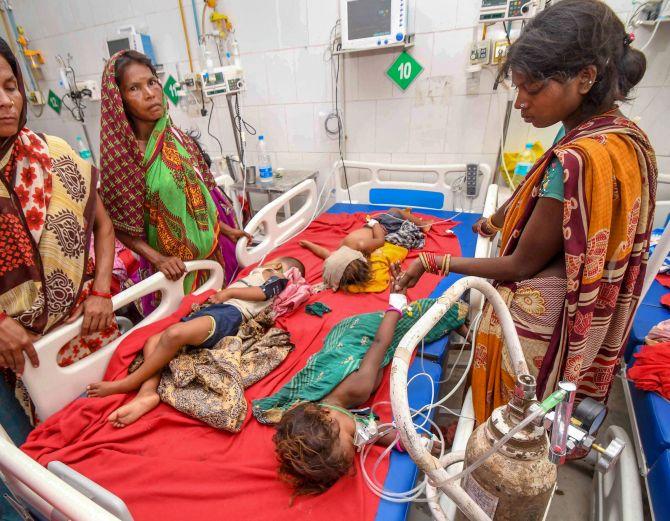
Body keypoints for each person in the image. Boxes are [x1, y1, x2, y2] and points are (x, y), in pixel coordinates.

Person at [395, 0, 657, 425]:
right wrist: (498, 219)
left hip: (540, 327)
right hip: (578, 314)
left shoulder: (580, 158)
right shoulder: (616, 134)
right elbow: (540, 187)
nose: (520, 103)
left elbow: (520, 264)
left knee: (510, 428)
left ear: (585, 78)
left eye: (532, 90)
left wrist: (433, 261)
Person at [254, 266, 468, 495]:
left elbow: (379, 344)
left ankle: (457, 318)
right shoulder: (306, 418)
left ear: (326, 416)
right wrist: (414, 443)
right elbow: (371, 434)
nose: (359, 440)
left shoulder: (359, 387)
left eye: (351, 437)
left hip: (358, 334)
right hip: (339, 341)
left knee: (426, 316)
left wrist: (396, 300)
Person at [0, 37, 117, 434]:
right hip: (16, 358)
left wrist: (102, 289)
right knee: (41, 465)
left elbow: (103, 223)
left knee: (107, 427)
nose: (6, 101)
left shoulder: (54, 153)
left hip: (83, 328)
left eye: (10, 86)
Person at [98, 50, 248, 315]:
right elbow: (117, 225)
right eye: (134, 88)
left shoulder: (177, 137)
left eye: (152, 82)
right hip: (171, 273)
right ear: (119, 100)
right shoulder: (124, 156)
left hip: (212, 259)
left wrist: (226, 229)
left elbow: (195, 200)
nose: (149, 93)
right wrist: (160, 259)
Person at [86, 256, 305, 428]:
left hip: (230, 313)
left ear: (277, 265)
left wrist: (227, 293)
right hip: (214, 312)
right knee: (154, 341)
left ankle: (129, 383)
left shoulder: (280, 277)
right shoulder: (262, 273)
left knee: (173, 335)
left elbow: (263, 292)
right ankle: (147, 393)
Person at [299, 208, 433, 292]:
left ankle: (414, 220)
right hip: (384, 227)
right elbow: (380, 241)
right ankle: (423, 224)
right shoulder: (360, 245)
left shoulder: (343, 253)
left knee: (395, 214)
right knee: (395, 211)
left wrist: (309, 244)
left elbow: (325, 254)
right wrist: (375, 224)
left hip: (370, 227)